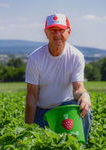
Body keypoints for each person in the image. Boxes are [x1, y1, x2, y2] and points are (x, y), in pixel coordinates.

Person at [25, 13, 92, 142]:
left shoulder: (75, 56)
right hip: (42, 111)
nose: (57, 34)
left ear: (69, 32)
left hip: (65, 109)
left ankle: (82, 149)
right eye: (53, 30)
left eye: (61, 30)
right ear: (46, 33)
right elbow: (32, 95)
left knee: (85, 109)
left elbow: (78, 88)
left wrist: (85, 95)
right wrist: (27, 129)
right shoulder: (35, 58)